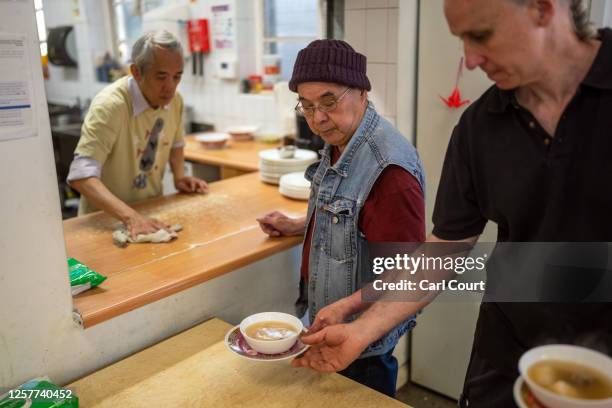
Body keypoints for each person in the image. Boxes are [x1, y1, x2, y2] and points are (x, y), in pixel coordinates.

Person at [291, 1, 612, 406]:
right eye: (462, 40)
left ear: (543, 9)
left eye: (481, 35)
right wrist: (361, 330)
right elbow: (444, 250)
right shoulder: (480, 126)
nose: (471, 60)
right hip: (505, 359)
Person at [256, 39, 426, 397]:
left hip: (360, 339)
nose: (317, 118)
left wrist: (352, 314)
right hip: (329, 320)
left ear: (362, 92)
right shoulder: (341, 140)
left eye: (329, 101)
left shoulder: (389, 172)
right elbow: (351, 219)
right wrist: (300, 226)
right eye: (307, 105)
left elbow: (407, 275)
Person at [67, 30, 208, 238]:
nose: (170, 87)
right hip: (103, 223)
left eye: (177, 77)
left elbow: (176, 143)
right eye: (161, 76)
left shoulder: (174, 101)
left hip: (150, 214)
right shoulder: (111, 106)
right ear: (136, 72)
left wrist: (179, 177)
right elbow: (81, 177)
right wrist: (130, 217)